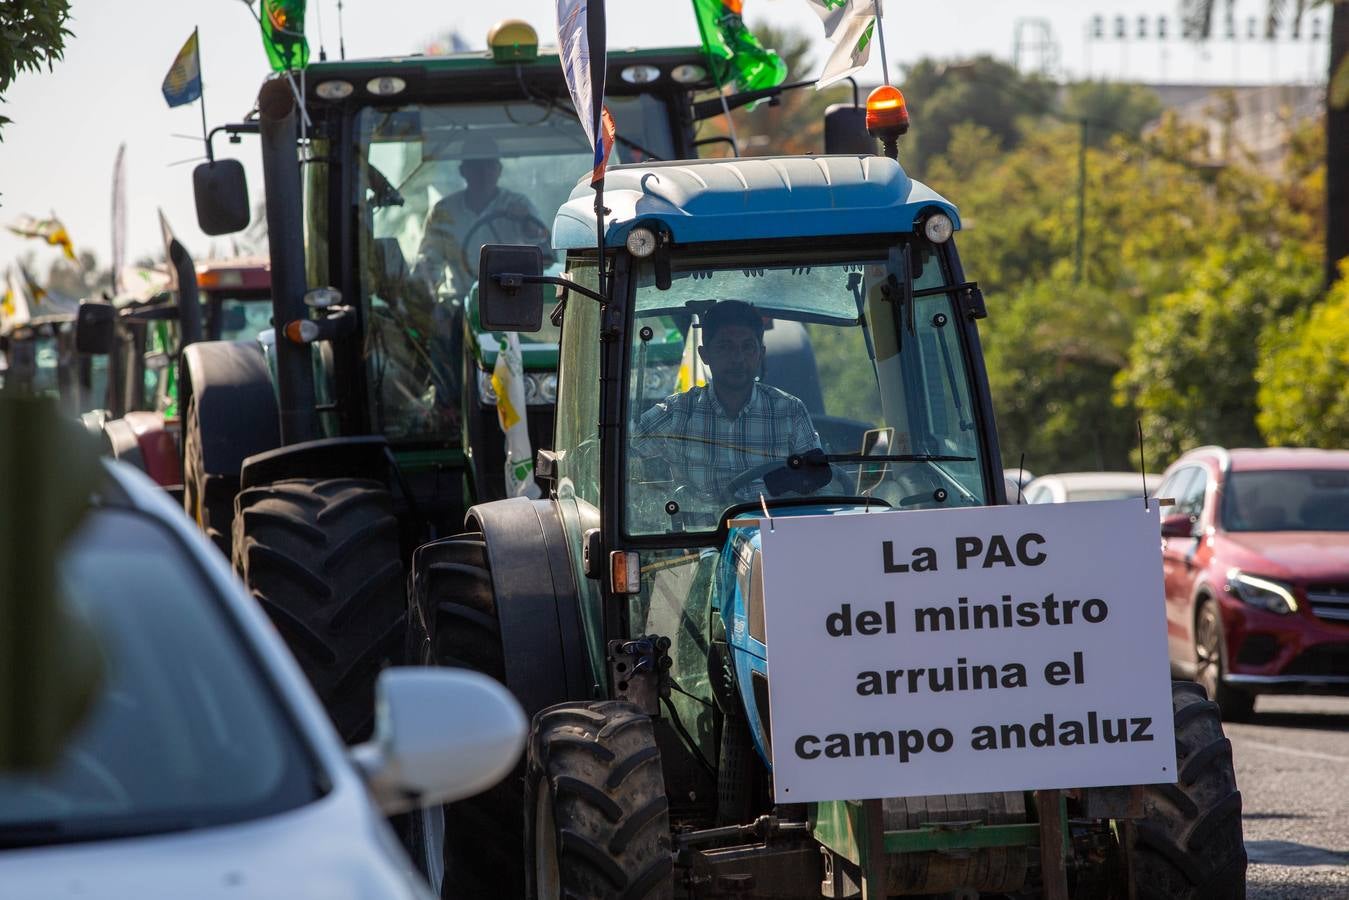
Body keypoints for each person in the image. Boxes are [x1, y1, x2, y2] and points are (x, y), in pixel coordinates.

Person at [633, 300, 821, 500]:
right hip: (702, 531)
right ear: (704, 354)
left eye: (747, 347)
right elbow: (625, 464)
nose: (738, 358)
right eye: (725, 347)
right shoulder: (675, 413)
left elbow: (819, 483)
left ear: (761, 354)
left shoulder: (790, 412)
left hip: (772, 528)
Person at [412, 134, 552, 299]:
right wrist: (428, 303)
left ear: (499, 170)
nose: (483, 173)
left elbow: (547, 258)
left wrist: (529, 229)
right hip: (459, 302)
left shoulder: (519, 205)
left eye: (490, 165)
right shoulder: (443, 212)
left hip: (509, 298)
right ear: (463, 171)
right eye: (476, 165)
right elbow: (427, 265)